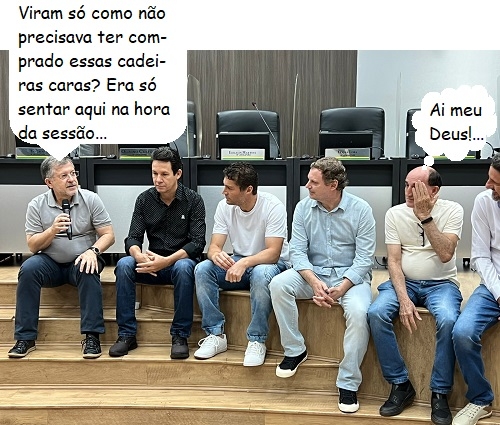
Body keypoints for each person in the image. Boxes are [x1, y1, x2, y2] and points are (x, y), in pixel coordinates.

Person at [269, 157, 375, 413]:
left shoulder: (361, 210)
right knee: (278, 284)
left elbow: (364, 259)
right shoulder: (303, 208)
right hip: (313, 274)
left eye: (313, 182)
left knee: (360, 313)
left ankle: (348, 382)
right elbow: (297, 251)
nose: (307, 186)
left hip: (351, 279)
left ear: (333, 185)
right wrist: (314, 282)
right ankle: (295, 350)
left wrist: (342, 288)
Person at [367, 166, 463, 425]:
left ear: (434, 190)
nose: (409, 192)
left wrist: (425, 217)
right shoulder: (394, 213)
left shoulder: (453, 210)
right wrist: (404, 299)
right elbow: (394, 261)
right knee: (376, 313)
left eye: (416, 187)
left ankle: (440, 392)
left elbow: (446, 254)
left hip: (441, 284)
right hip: (404, 282)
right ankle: (400, 383)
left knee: (449, 319)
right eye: (407, 185)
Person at [8, 156, 115, 359]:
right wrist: (52, 230)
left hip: (82, 259)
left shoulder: (91, 199)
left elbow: (108, 235)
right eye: (64, 176)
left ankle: (92, 337)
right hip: (50, 264)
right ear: (49, 182)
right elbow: (33, 245)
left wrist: (92, 251)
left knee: (88, 266)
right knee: (28, 269)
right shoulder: (36, 205)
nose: (72, 179)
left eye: (73, 173)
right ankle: (25, 338)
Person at [109, 147, 206, 359]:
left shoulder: (193, 200)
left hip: (177, 262)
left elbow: (197, 244)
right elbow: (133, 238)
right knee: (124, 264)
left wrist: (166, 261)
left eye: (164, 174)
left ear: (178, 174)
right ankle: (126, 334)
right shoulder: (144, 199)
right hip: (151, 264)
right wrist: (138, 255)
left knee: (184, 267)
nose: (158, 179)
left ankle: (180, 336)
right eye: (154, 173)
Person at [194, 162, 289, 366]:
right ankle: (215, 335)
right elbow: (214, 247)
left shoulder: (273, 206)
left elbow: (273, 253)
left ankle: (257, 340)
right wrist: (216, 255)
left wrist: (244, 262)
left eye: (229, 188)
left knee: (261, 274)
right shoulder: (224, 207)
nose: (224, 192)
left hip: (271, 265)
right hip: (240, 262)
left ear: (248, 189)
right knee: (203, 269)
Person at [452, 154, 500, 425]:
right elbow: (481, 256)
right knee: (462, 333)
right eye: (489, 178)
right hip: (493, 285)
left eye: (495, 182)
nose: (487, 186)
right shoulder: (484, 201)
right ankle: (481, 399)